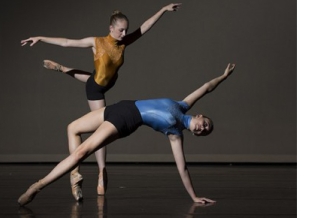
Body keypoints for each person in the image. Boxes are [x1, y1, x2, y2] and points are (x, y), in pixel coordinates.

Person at [20, 3, 182, 200]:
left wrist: (163, 10)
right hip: (96, 88)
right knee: (101, 127)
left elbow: (145, 27)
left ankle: (62, 68)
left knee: (93, 77)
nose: (124, 33)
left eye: (126, 30)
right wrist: (41, 38)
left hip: (105, 81)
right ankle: (97, 171)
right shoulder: (96, 42)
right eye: (120, 30)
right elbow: (66, 42)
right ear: (111, 28)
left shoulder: (124, 42)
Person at [18, 63, 235, 206]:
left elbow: (183, 168)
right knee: (72, 128)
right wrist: (223, 77)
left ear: (197, 135)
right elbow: (207, 87)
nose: (202, 128)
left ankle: (36, 187)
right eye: (205, 124)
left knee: (82, 151)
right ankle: (75, 175)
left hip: (127, 120)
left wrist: (194, 196)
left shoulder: (175, 134)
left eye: (204, 132)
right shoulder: (183, 104)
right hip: (122, 106)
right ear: (200, 116)